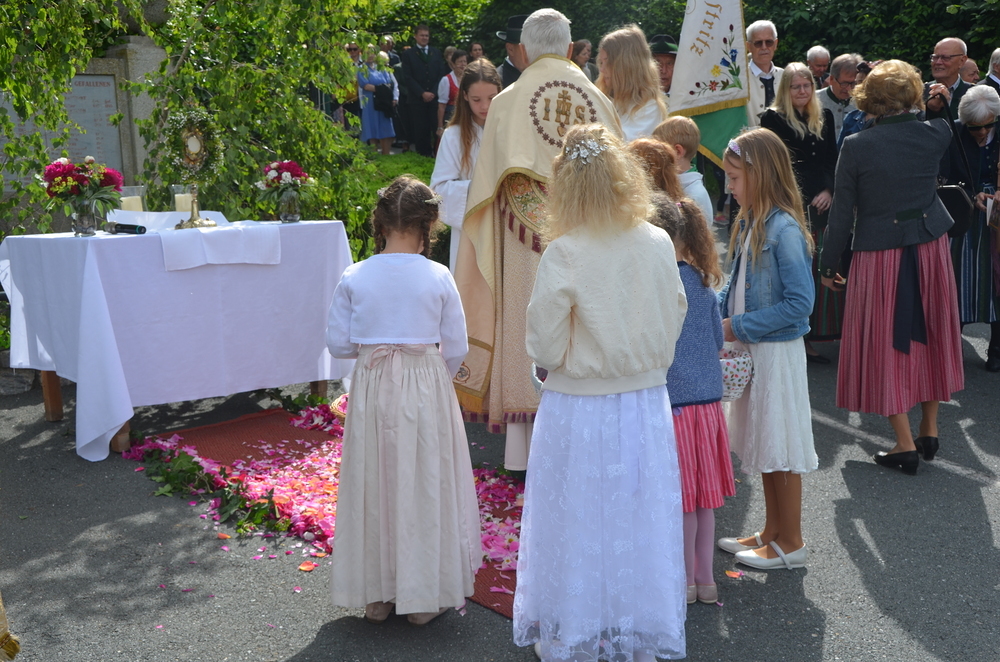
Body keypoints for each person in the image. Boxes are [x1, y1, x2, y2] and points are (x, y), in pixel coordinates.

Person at [514, 122, 687, 662]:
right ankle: (633, 630)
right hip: (644, 401)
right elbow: (676, 312)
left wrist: (566, 360)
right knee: (637, 516)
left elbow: (544, 343)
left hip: (579, 403)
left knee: (576, 517)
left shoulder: (565, 251)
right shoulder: (658, 241)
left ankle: (573, 633)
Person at [453, 8, 622, 471]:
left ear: (523, 51)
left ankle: (524, 457)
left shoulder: (507, 101)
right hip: (590, 235)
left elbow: (483, 192)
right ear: (569, 48)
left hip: (521, 240)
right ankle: (587, 450)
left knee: (529, 326)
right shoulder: (600, 100)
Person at [326, 176, 482, 626]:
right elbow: (456, 344)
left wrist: (375, 346)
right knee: (424, 481)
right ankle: (423, 597)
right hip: (424, 381)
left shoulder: (356, 274)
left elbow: (338, 343)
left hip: (373, 382)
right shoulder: (437, 275)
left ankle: (377, 595)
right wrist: (435, 376)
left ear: (380, 224)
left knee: (374, 479)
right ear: (428, 225)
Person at [821, 60, 964, 474]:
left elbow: (841, 214)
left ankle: (904, 443)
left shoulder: (857, 145)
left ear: (868, 99)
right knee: (932, 334)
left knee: (883, 341)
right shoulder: (937, 133)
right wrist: (931, 107)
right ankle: (929, 428)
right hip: (930, 247)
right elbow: (928, 123)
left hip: (879, 252)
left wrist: (828, 265)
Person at [715, 129, 817, 569]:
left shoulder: (783, 228)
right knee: (767, 443)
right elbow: (737, 286)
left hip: (776, 353)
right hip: (757, 350)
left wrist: (736, 325)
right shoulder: (752, 220)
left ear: (761, 175)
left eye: (736, 178)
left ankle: (791, 541)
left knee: (781, 445)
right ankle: (772, 531)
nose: (730, 186)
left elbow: (800, 303)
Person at [650, 192, 733, 606]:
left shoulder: (656, 285)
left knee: (682, 501)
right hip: (709, 407)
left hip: (675, 406)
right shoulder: (703, 284)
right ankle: (706, 580)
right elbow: (717, 340)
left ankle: (682, 582)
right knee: (704, 502)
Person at [761, 62, 841, 362]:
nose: (802, 91)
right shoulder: (772, 118)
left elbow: (832, 158)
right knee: (794, 268)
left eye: (807, 85)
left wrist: (829, 190)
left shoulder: (825, 115)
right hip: (789, 202)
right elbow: (773, 165)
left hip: (821, 203)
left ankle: (818, 331)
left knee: (818, 265)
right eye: (796, 86)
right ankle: (797, 336)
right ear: (786, 89)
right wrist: (793, 199)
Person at [942, 85, 1000, 371]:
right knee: (958, 277)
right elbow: (942, 176)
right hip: (963, 216)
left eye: (988, 125)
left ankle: (997, 348)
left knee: (997, 279)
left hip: (997, 221)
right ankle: (951, 348)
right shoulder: (953, 132)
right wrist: (969, 193)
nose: (982, 132)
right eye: (975, 127)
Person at [430, 60, 502, 273]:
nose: (485, 106)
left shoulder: (510, 131)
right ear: (465, 96)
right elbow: (438, 191)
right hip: (470, 232)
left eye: (492, 98)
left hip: (506, 229)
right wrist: (481, 188)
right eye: (477, 99)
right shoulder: (453, 136)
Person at [596, 25, 668, 141]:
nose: (602, 69)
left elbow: (621, 145)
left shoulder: (649, 108)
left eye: (607, 62)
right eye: (601, 62)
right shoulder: (606, 99)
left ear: (625, 65)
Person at [654, 117, 715, 223]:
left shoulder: (694, 195)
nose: (656, 156)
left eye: (659, 151)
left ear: (678, 151)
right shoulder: (678, 184)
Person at [400, 25, 447, 156]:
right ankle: (423, 157)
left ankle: (438, 155)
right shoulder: (408, 54)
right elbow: (408, 77)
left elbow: (441, 74)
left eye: (426, 35)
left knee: (436, 127)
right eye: (422, 35)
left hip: (434, 98)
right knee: (420, 130)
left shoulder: (436, 52)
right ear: (415, 36)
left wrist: (433, 92)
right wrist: (422, 93)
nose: (424, 38)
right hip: (417, 99)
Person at [357, 48, 398, 155]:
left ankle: (386, 155)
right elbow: (366, 86)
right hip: (370, 102)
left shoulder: (381, 68)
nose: (370, 55)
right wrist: (382, 89)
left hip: (384, 102)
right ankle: (374, 155)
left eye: (372, 53)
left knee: (385, 127)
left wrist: (383, 90)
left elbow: (389, 83)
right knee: (372, 128)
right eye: (367, 53)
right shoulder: (361, 69)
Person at [745, 20, 783, 127]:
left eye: (769, 42)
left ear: (775, 44)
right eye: (758, 43)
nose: (764, 47)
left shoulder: (786, 77)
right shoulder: (739, 79)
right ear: (748, 46)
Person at [925, 37, 972, 121]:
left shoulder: (974, 94)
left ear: (962, 61)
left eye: (945, 58)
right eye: (935, 57)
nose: (938, 62)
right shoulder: (918, 93)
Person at [817, 53, 862, 138]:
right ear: (831, 79)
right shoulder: (815, 99)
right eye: (844, 83)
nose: (849, 89)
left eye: (853, 83)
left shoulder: (863, 102)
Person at [437, 49, 468, 137]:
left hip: (467, 116)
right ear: (453, 64)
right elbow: (441, 106)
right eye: (460, 62)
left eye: (464, 62)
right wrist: (440, 127)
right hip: (452, 117)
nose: (463, 64)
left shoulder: (469, 79)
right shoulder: (446, 80)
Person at [496, 15, 529, 88]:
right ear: (510, 49)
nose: (532, 52)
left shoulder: (538, 74)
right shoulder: (496, 81)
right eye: (526, 47)